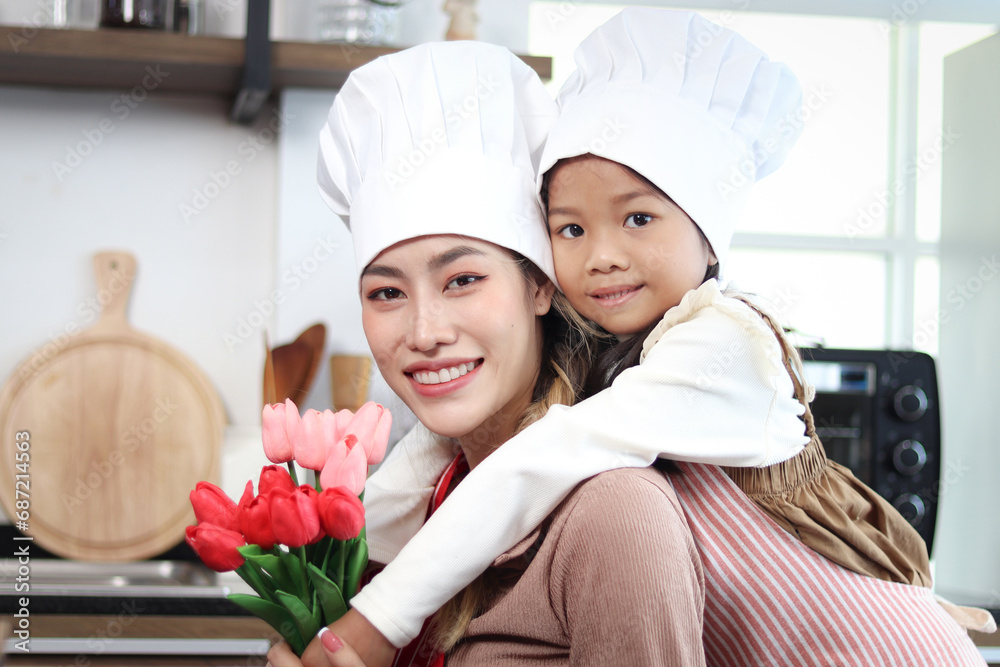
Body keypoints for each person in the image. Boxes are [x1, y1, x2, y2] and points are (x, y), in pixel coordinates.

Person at [289, 8, 989, 667]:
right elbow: (428, 461)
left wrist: (374, 621)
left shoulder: (717, 347)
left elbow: (544, 456)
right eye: (572, 228)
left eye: (639, 219)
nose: (602, 257)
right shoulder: (604, 363)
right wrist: (310, 570)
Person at [267, 40, 708, 666]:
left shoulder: (613, 516)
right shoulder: (417, 503)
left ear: (539, 286)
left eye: (463, 280)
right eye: (387, 292)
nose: (424, 332)